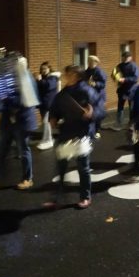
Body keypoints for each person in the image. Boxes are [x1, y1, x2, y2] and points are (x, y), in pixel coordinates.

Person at [46, 65, 104, 209]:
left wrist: (92, 114)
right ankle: (56, 198)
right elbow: (54, 109)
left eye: (70, 73)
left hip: (82, 134)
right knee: (61, 167)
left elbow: (101, 110)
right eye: (66, 73)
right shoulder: (63, 93)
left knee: (83, 168)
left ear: (77, 76)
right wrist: (52, 118)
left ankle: (85, 197)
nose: (67, 75)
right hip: (66, 133)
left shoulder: (88, 91)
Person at [0, 58, 38, 191]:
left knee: (24, 150)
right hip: (8, 122)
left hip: (22, 122)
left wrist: (6, 100)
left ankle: (28, 179)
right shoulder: (9, 79)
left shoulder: (26, 80)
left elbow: (24, 101)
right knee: (2, 151)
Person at [112, 51, 139, 129]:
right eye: (123, 57)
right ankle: (119, 123)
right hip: (122, 90)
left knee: (132, 108)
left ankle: (131, 123)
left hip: (131, 90)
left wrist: (125, 79)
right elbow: (114, 74)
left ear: (130, 58)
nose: (124, 58)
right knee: (120, 107)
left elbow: (135, 78)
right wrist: (115, 77)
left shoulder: (134, 66)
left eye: (126, 57)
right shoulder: (119, 66)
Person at [36, 62, 59, 150]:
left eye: (45, 68)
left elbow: (48, 86)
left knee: (46, 122)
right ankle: (46, 138)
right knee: (45, 122)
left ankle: (48, 140)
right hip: (43, 104)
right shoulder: (43, 78)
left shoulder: (53, 78)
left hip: (49, 104)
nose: (43, 70)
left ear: (49, 69)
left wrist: (39, 80)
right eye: (42, 69)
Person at [85, 55, 107, 138]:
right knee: (90, 112)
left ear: (95, 62)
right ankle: (91, 130)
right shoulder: (86, 71)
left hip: (98, 96)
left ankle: (97, 130)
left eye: (90, 61)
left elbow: (103, 84)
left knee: (98, 113)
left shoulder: (99, 72)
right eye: (88, 61)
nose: (89, 62)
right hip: (89, 95)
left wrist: (95, 84)